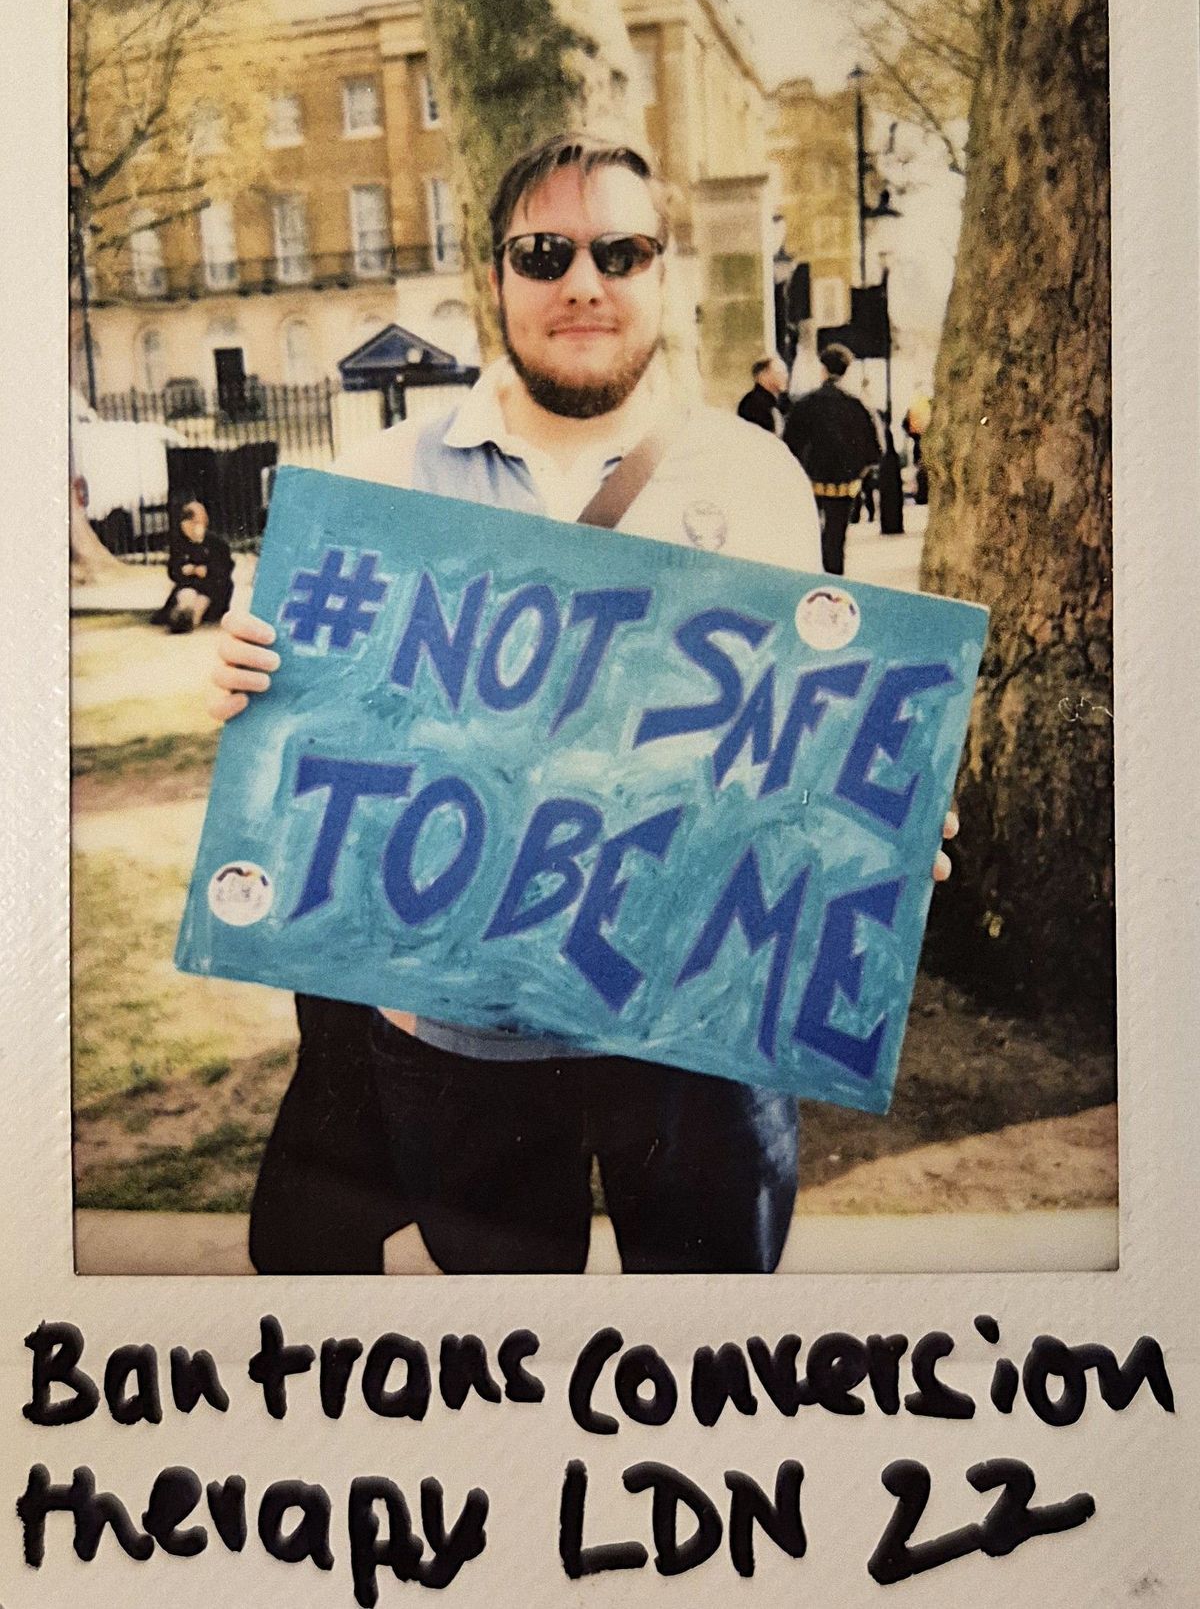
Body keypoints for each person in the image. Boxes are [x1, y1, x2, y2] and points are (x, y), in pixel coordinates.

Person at [213, 133, 957, 1276]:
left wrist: (879, 823)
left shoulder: (754, 478)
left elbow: (797, 741)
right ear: (496, 277)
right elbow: (312, 754)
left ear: (662, 271)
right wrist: (247, 687)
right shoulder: (374, 480)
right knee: (515, 1349)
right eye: (545, 250)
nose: (582, 280)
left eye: (621, 248)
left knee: (714, 1343)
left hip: (703, 1039)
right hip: (461, 1041)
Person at [783, 344, 882, 575]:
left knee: (812, 535)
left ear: (823, 369)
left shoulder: (805, 404)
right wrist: (858, 471)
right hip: (845, 483)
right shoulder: (858, 405)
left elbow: (790, 444)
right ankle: (834, 580)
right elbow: (874, 448)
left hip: (811, 479)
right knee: (837, 538)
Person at [152, 497, 234, 633]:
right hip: (189, 585)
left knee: (202, 601)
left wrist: (207, 570)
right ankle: (182, 614)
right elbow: (173, 571)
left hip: (212, 588)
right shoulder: (179, 544)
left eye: (197, 522)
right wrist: (182, 570)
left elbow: (226, 569)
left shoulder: (217, 544)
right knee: (187, 595)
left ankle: (190, 620)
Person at [735, 356, 789, 433]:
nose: (785, 376)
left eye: (785, 372)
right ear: (763, 376)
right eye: (779, 373)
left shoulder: (779, 403)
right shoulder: (753, 403)